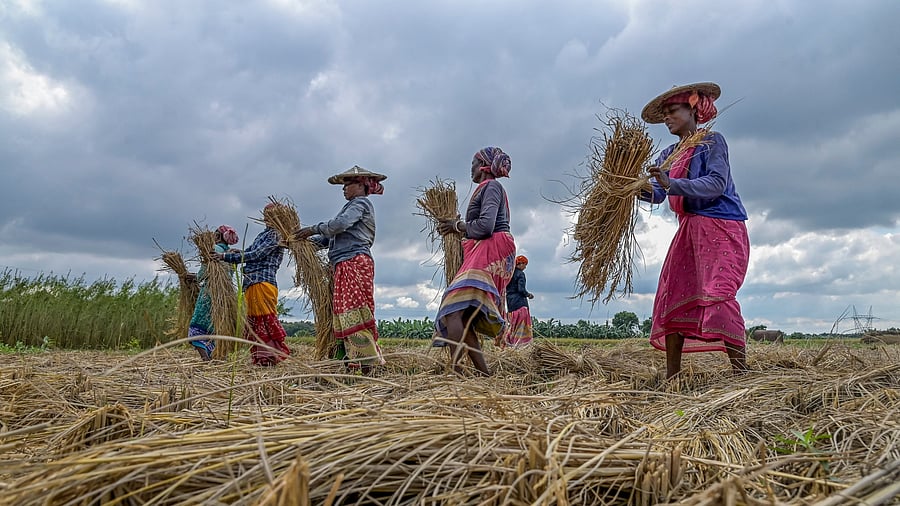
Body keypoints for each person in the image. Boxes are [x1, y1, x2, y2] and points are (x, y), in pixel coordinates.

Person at [638, 82, 750, 379]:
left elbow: (715, 184)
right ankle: (672, 378)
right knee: (673, 295)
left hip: (721, 227)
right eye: (664, 114)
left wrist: (669, 183)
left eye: (672, 111)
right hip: (688, 231)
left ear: (693, 108)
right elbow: (659, 193)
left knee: (718, 294)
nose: (667, 118)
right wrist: (636, 189)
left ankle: (741, 373)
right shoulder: (669, 154)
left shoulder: (712, 142)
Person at [434, 147, 517, 376]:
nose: (470, 168)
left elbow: (485, 226)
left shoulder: (491, 186)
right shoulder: (487, 189)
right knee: (463, 316)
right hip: (488, 249)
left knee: (452, 309)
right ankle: (484, 375)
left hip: (491, 248)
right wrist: (460, 228)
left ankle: (457, 373)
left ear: (482, 166)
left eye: (473, 163)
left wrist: (457, 226)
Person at [296, 166, 386, 373]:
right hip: (343, 262)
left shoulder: (361, 203)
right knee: (345, 312)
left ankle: (366, 363)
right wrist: (300, 244)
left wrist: (311, 228)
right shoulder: (350, 206)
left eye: (348, 184)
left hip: (354, 261)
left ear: (361, 186)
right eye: (343, 185)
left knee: (355, 311)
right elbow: (329, 238)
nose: (343, 189)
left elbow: (338, 225)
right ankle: (353, 361)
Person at [213, 204, 291, 366]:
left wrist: (225, 257)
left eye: (269, 215)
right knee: (255, 321)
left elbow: (257, 254)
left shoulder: (276, 235)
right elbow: (249, 251)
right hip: (252, 282)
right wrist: (235, 253)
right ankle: (261, 358)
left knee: (265, 320)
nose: (265, 218)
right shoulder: (265, 234)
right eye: (265, 215)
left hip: (263, 281)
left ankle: (270, 357)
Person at [187, 225, 239, 361]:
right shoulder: (231, 253)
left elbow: (203, 274)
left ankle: (206, 358)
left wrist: (194, 278)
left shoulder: (213, 250)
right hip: (226, 294)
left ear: (217, 236)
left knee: (197, 327)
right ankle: (218, 356)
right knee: (219, 325)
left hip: (210, 293)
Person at [500, 255, 535, 348]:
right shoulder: (520, 274)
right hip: (520, 303)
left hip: (510, 303)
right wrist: (528, 295)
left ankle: (509, 343)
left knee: (513, 325)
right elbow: (521, 290)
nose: (525, 267)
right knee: (522, 325)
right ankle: (521, 344)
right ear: (520, 264)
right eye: (525, 264)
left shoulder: (509, 274)